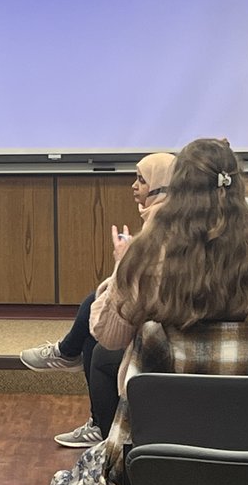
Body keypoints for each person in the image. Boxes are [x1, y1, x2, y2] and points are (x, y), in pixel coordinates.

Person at [41, 137, 248, 485]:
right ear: (238, 186)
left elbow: (108, 336)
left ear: (176, 189)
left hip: (169, 461)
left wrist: (121, 266)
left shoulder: (150, 250)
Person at [20, 153, 176, 447]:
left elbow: (145, 291)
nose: (133, 186)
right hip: (160, 318)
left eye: (141, 180)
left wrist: (123, 263)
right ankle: (96, 417)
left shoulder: (164, 224)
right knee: (94, 324)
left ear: (161, 186)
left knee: (101, 336)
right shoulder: (162, 218)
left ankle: (104, 430)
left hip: (165, 328)